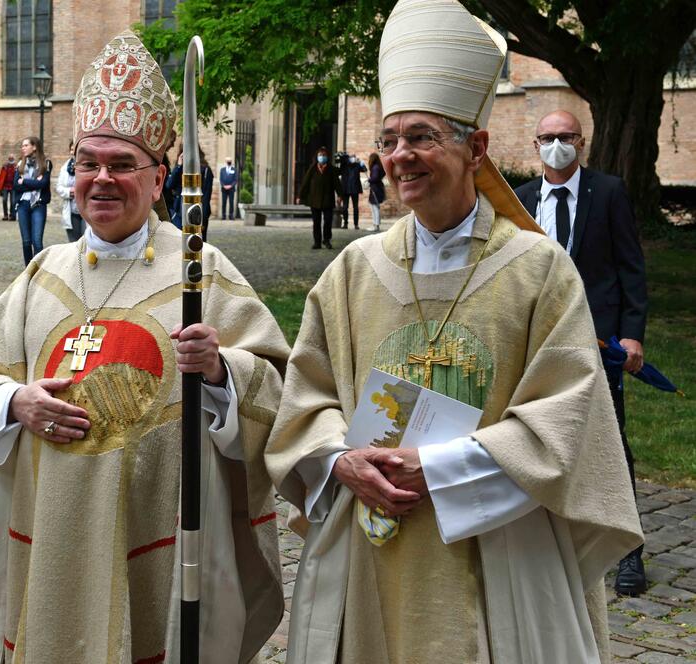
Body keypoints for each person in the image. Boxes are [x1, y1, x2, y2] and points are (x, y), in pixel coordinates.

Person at [266, 1, 642, 661]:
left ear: (477, 149)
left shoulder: (536, 271)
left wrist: (436, 470)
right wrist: (341, 459)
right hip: (371, 538)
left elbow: (567, 418)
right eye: (388, 140)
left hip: (499, 551)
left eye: (421, 137)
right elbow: (307, 400)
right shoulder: (354, 271)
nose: (399, 156)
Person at [0, 30, 289, 664]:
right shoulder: (41, 273)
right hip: (51, 521)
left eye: (121, 165)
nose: (100, 180)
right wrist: (14, 401)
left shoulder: (201, 271)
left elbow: (275, 382)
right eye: (87, 164)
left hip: (157, 521)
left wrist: (219, 370)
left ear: (159, 180)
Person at [514, 109, 649, 596]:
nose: (557, 145)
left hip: (598, 337)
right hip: (539, 339)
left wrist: (632, 333)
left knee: (608, 436)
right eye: (547, 138)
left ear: (582, 143)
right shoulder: (523, 200)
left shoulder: (608, 192)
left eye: (565, 137)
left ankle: (628, 552)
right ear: (536, 146)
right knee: (540, 434)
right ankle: (549, 537)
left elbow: (630, 267)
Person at [12, 135, 49, 264]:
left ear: (34, 147)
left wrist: (25, 181)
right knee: (26, 241)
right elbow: (16, 185)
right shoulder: (20, 164)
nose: (23, 148)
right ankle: (28, 271)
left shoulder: (45, 164)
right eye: (22, 146)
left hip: (38, 204)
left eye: (26, 145)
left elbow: (43, 184)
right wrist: (33, 183)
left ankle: (38, 271)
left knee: (37, 241)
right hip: (23, 204)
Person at [300, 146, 336, 249]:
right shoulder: (312, 169)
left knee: (328, 221)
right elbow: (305, 182)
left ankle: (327, 240)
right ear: (317, 157)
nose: (322, 157)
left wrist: (340, 196)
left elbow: (336, 183)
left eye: (324, 155)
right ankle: (317, 242)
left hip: (328, 200)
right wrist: (300, 195)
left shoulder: (331, 169)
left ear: (327, 157)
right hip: (315, 200)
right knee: (316, 222)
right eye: (320, 155)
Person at [56, 139, 85, 241]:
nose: (73, 152)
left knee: (87, 241)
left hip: (86, 210)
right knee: (73, 243)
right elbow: (59, 187)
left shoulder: (88, 165)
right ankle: (75, 258)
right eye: (72, 150)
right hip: (71, 210)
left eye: (76, 149)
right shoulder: (65, 168)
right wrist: (70, 192)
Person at [338, 153, 366, 229]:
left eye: (354, 157)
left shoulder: (357, 165)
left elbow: (364, 170)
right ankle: (345, 223)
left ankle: (356, 224)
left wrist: (362, 164)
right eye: (351, 157)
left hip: (355, 189)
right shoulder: (344, 166)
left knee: (355, 208)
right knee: (345, 207)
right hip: (346, 189)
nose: (353, 158)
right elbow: (339, 171)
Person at [367, 151, 386, 232]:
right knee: (375, 207)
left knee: (375, 207)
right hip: (377, 188)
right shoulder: (379, 167)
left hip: (375, 189)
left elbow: (374, 178)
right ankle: (375, 224)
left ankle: (376, 225)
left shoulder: (375, 167)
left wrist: (369, 180)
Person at [0, 154, 17, 220]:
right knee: (4, 200)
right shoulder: (5, 166)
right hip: (5, 186)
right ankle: (5, 215)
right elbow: (1, 176)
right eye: (10, 158)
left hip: (13, 186)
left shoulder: (16, 167)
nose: (11, 159)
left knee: (13, 201)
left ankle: (11, 215)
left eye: (12, 158)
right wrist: (0, 187)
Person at [219, 156, 238, 220]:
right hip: (224, 189)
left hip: (231, 189)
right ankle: (223, 215)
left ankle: (231, 215)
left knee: (231, 202)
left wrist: (230, 186)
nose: (229, 162)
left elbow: (235, 180)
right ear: (226, 161)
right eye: (228, 161)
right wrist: (223, 186)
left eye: (230, 161)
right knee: (224, 202)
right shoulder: (222, 170)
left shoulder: (234, 170)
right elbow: (221, 179)